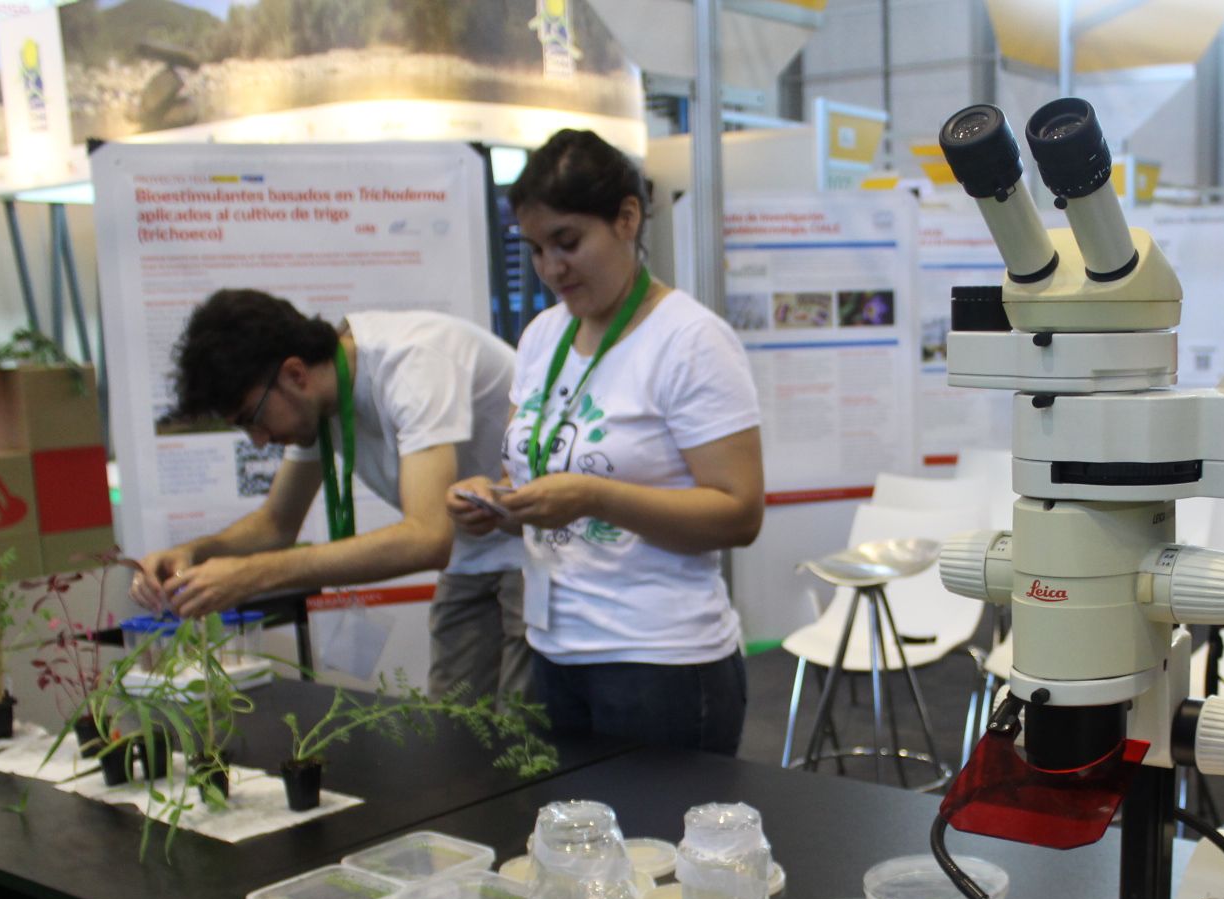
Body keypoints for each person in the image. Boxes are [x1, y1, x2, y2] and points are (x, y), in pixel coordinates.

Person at [447, 129, 764, 754]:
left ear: (627, 217)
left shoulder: (691, 341)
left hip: (661, 662)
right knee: (566, 850)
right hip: (552, 649)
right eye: (535, 249)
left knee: (663, 849)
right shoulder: (543, 335)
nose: (550, 268)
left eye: (567, 242)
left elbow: (738, 512)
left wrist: (595, 496)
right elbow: (543, 490)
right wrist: (499, 503)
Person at [135, 292, 530, 703]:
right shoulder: (320, 399)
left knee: (529, 735)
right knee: (454, 726)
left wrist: (250, 575)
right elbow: (275, 524)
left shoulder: (411, 362)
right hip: (471, 556)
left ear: (295, 374)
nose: (259, 440)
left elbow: (427, 539)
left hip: (536, 548)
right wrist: (193, 552)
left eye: (254, 418)